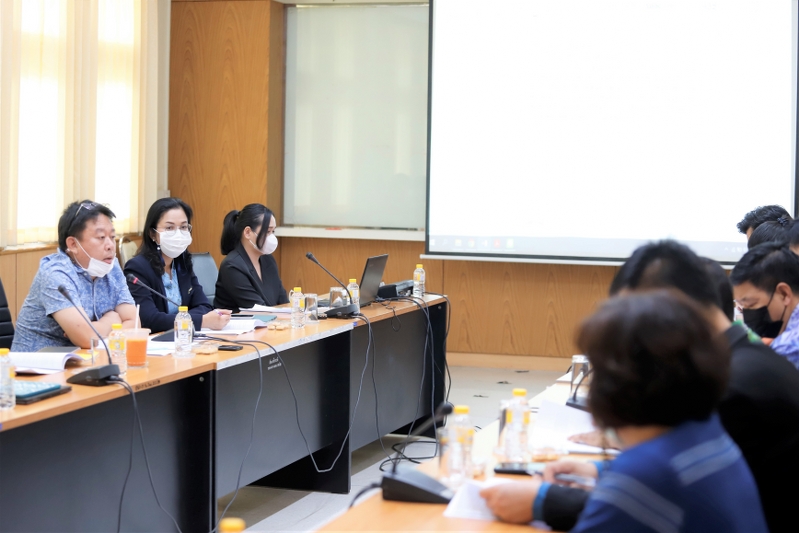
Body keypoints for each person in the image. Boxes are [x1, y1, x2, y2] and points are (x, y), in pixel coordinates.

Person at [482, 240, 799, 532]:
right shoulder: (738, 367)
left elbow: (657, 487)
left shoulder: (733, 386)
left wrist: (545, 500)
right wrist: (602, 472)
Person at [11, 201, 136, 351]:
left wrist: (96, 330)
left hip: (89, 359)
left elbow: (134, 323)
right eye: (101, 237)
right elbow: (86, 338)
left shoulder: (111, 266)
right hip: (39, 362)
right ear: (73, 244)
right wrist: (111, 320)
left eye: (112, 236)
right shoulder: (55, 274)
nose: (110, 245)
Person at [123, 198, 231, 333]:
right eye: (169, 228)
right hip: (156, 341)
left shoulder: (182, 264)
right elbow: (148, 319)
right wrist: (201, 321)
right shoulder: (137, 268)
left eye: (183, 227)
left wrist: (188, 319)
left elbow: (204, 306)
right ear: (152, 234)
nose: (178, 234)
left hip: (184, 338)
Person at [731, 242, 799, 367]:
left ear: (784, 294)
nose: (747, 313)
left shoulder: (787, 349)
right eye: (741, 305)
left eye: (751, 304)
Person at [214, 204, 288, 313]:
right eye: (268, 231)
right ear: (248, 232)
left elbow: (283, 302)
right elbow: (257, 309)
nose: (272, 237)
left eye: (273, 232)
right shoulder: (232, 266)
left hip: (272, 321)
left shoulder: (268, 260)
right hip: (240, 323)